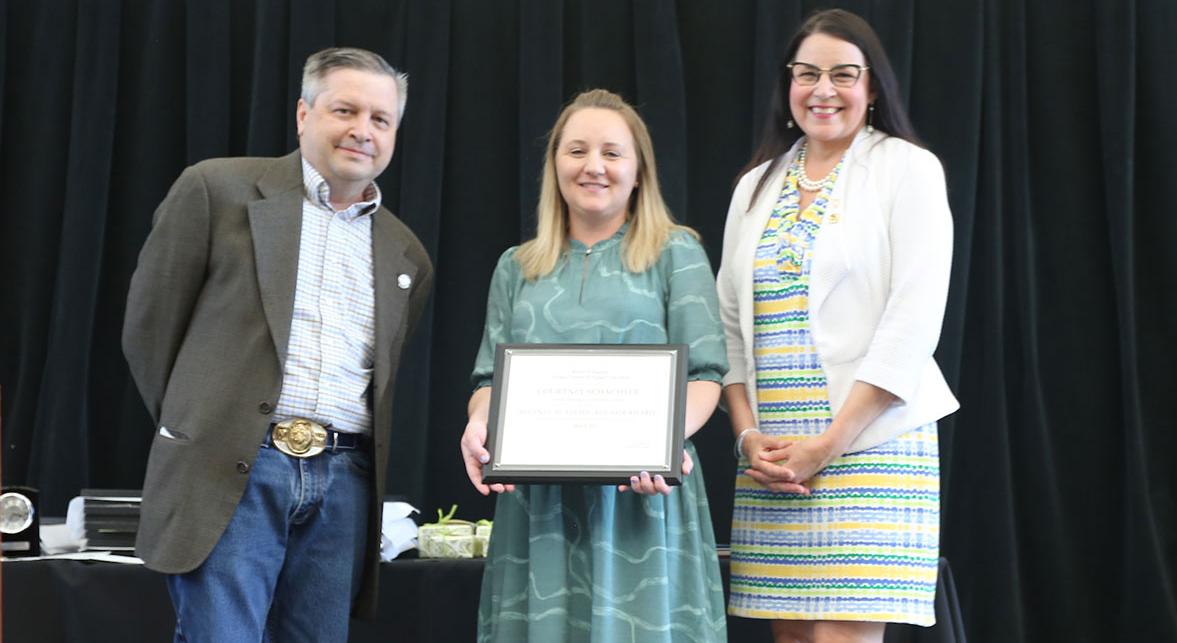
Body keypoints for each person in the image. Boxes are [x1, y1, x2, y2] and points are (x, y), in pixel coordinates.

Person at [122, 47, 432, 641]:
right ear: (302, 114)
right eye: (345, 110)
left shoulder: (407, 252)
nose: (362, 131)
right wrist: (202, 424)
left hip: (345, 481)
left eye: (380, 119)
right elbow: (149, 328)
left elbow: (384, 374)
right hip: (234, 466)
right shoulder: (217, 190)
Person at [716, 9, 959, 643]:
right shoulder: (752, 188)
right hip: (773, 457)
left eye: (844, 75)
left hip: (872, 443)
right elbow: (729, 330)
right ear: (787, 84)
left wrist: (830, 443)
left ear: (873, 87)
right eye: (807, 74)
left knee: (841, 637)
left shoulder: (908, 169)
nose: (823, 90)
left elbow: (913, 321)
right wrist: (748, 440)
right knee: (793, 635)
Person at [459, 89, 728, 642]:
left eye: (612, 152)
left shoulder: (676, 253)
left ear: (638, 171)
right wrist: (479, 426)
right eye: (576, 150)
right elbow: (490, 381)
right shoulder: (516, 267)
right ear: (554, 164)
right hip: (539, 512)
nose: (594, 166)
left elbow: (705, 376)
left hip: (642, 500)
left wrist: (662, 440)